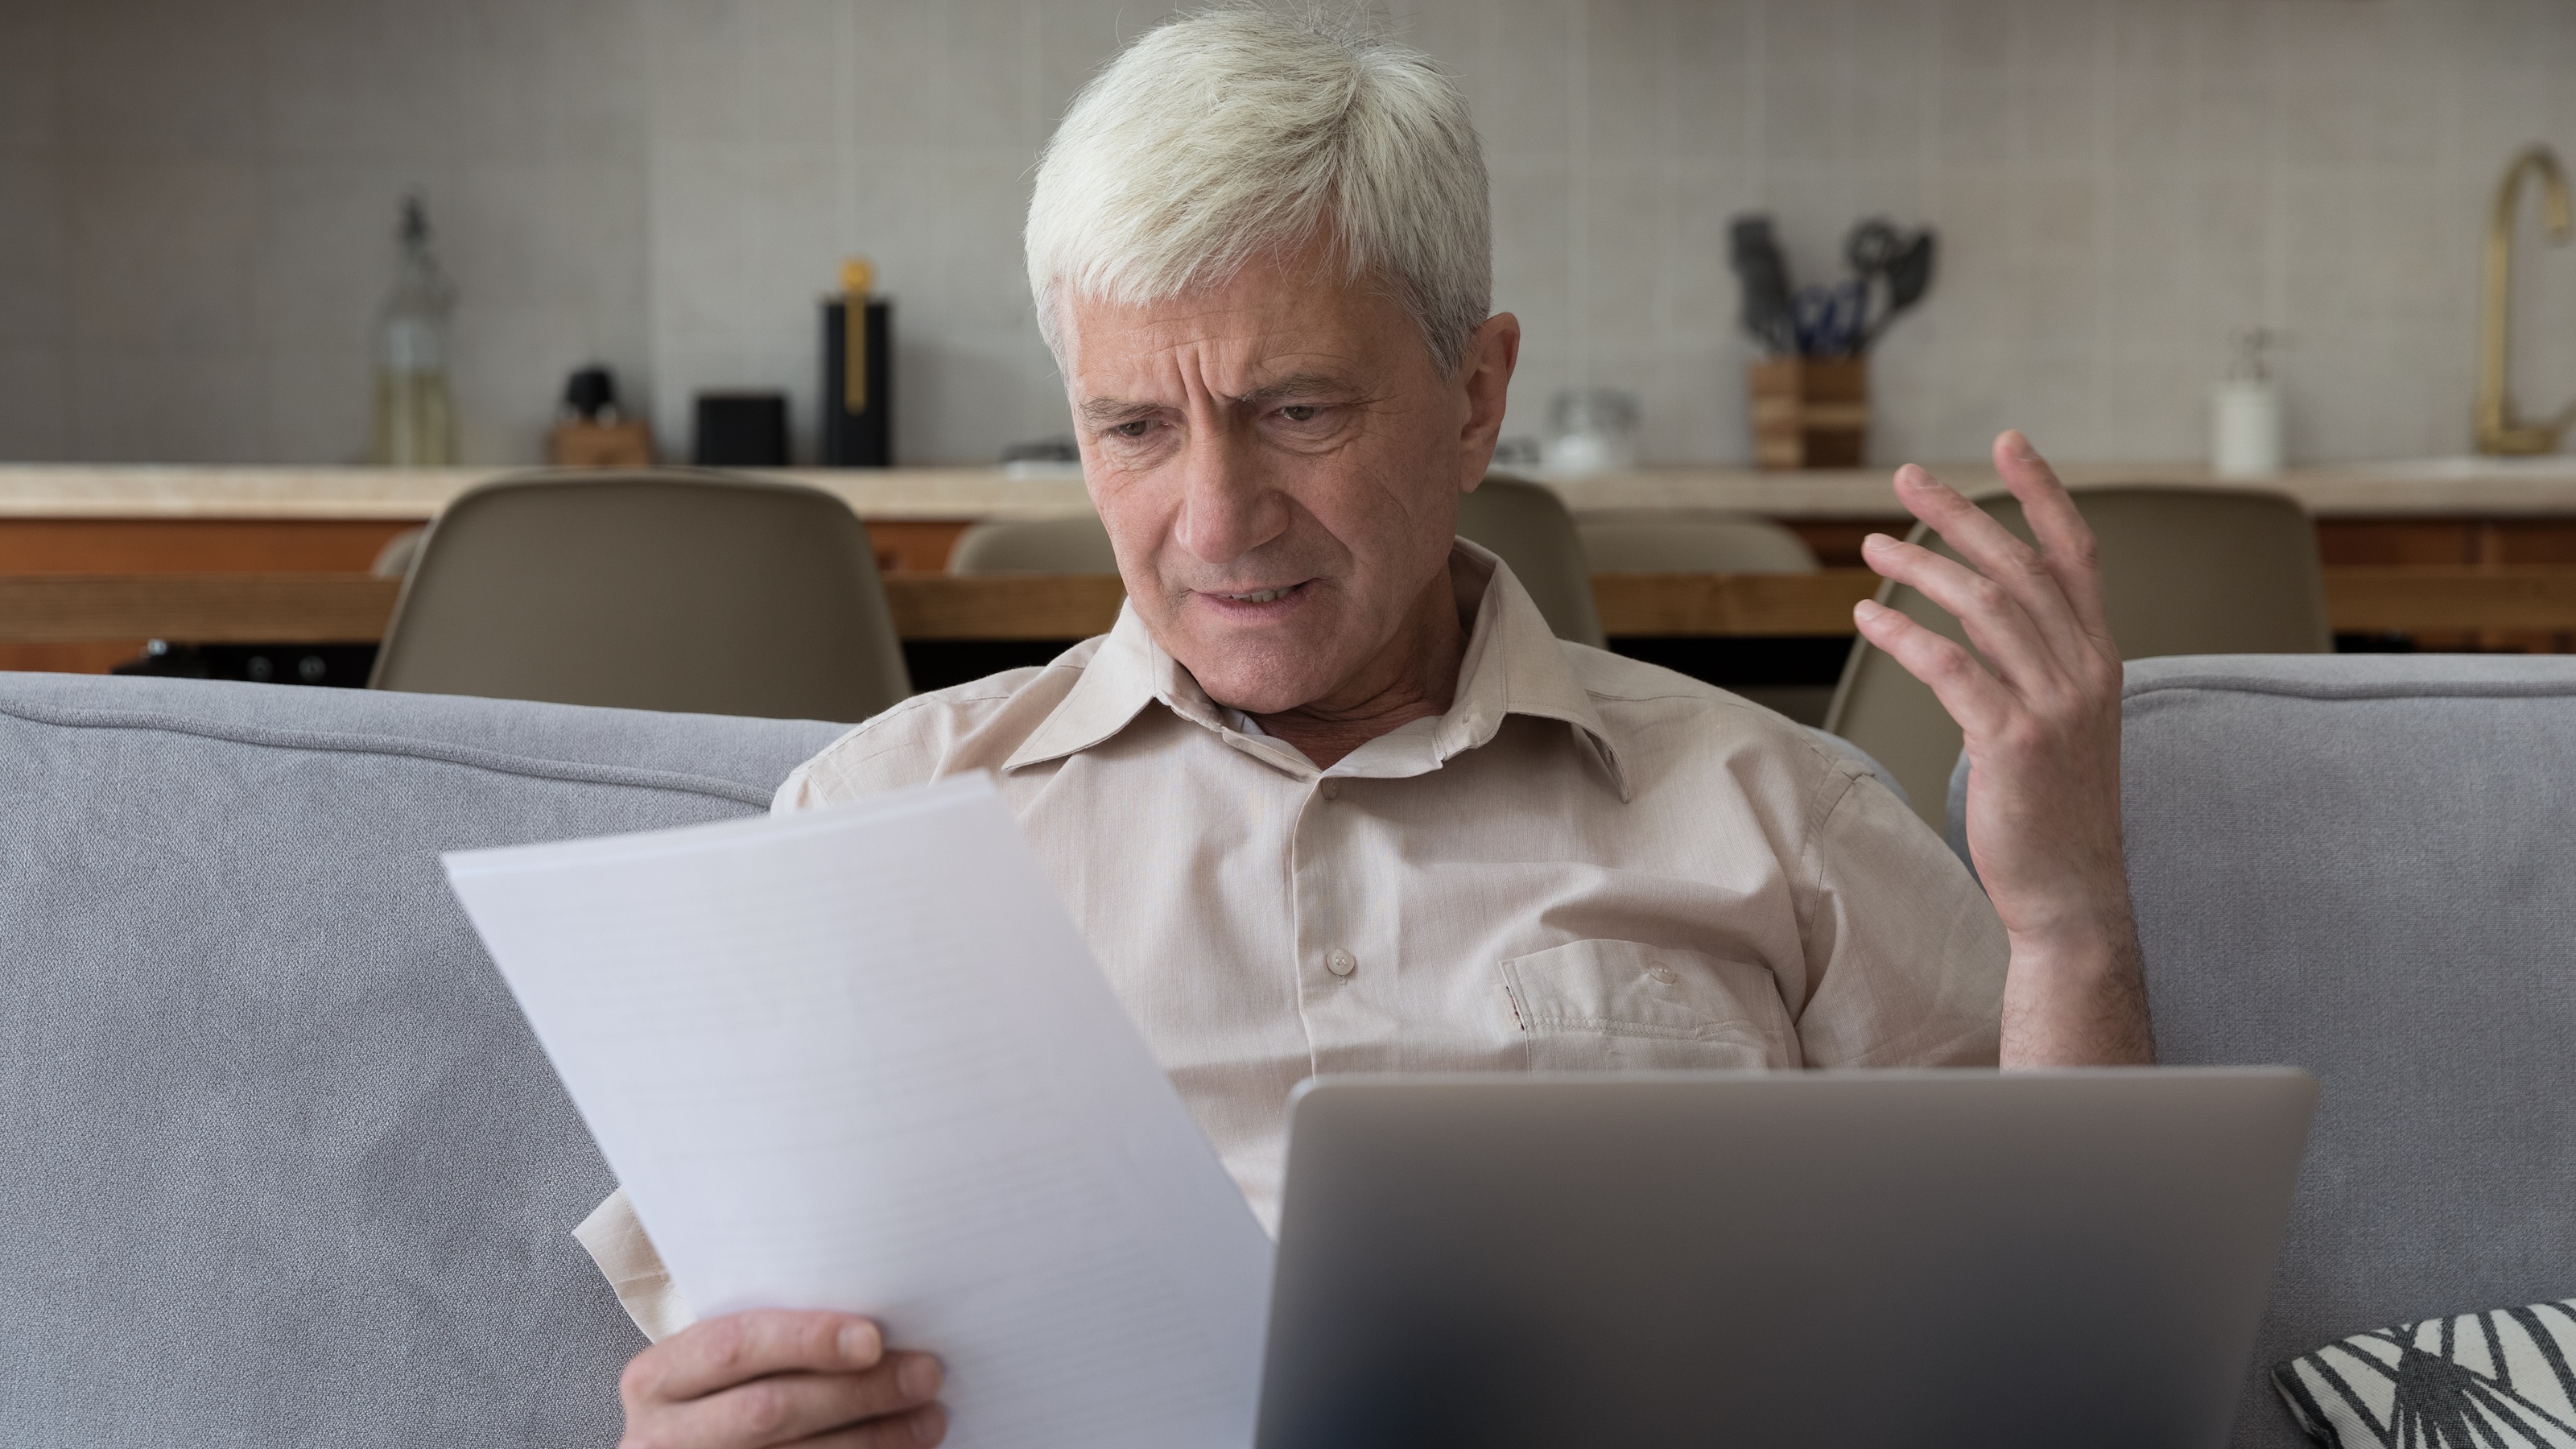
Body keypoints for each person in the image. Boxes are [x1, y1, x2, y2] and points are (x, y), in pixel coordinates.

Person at [598, 11, 2152, 1447]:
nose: (1216, 522)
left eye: (1298, 412)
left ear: (1475, 397)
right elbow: (719, 1377)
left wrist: (2070, 917)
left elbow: (2068, 1365)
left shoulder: (1775, 813)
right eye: (1135, 428)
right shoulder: (877, 825)